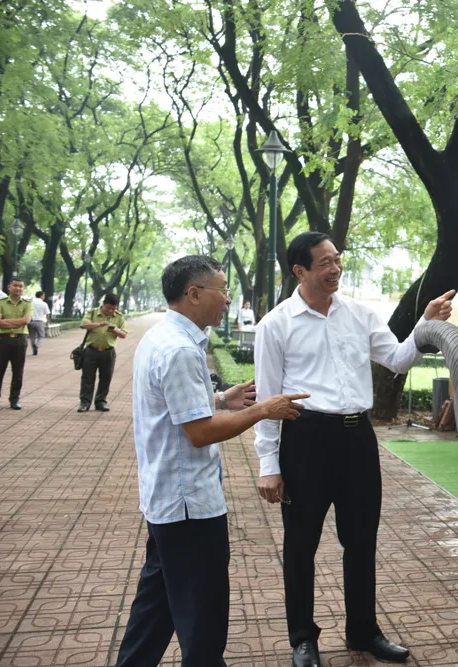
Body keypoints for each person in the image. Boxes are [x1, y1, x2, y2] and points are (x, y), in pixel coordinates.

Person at [252, 232, 454, 667]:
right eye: (324, 262)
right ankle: (302, 638)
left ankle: (363, 632)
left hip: (357, 440)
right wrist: (269, 464)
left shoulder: (360, 314)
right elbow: (269, 400)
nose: (335, 268)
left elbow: (398, 359)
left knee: (361, 541)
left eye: (337, 259)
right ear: (300, 271)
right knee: (300, 544)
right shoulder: (276, 325)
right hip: (305, 440)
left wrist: (425, 322)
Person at [112, 255, 309, 667]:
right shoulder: (181, 350)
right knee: (203, 619)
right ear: (194, 293)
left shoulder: (161, 337)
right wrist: (260, 411)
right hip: (189, 507)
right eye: (222, 289)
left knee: (157, 607)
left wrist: (221, 399)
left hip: (166, 500)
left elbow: (174, 408)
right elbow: (199, 433)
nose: (228, 299)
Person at [77, 293, 127, 412]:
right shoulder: (93, 313)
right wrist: (99, 324)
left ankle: (101, 401)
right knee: (87, 378)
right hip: (91, 351)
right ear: (103, 304)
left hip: (108, 352)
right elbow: (84, 325)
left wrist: (115, 330)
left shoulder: (119, 317)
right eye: (108, 308)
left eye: (113, 308)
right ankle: (85, 402)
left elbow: (124, 334)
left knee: (106, 378)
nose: (110, 311)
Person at [0, 277, 31, 409]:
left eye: (20, 286)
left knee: (18, 371)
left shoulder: (27, 303)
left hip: (20, 340)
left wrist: (6, 322)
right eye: (15, 285)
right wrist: (16, 322)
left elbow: (26, 321)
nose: (18, 288)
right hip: (3, 340)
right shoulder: (0, 303)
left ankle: (14, 399)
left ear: (23, 289)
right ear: (9, 287)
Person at [29, 290, 50, 355]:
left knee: (32, 336)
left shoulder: (30, 302)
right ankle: (37, 346)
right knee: (41, 336)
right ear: (41, 296)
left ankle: (33, 349)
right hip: (40, 321)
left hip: (31, 321)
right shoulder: (44, 304)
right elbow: (47, 314)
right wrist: (47, 322)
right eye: (43, 296)